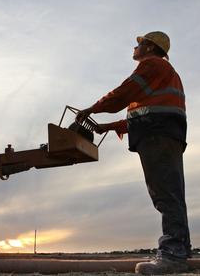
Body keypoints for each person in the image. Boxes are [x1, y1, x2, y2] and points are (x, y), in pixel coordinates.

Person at [76, 31, 191, 275]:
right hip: (162, 134)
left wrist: (92, 109)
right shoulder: (164, 73)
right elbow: (145, 114)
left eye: (139, 44)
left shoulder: (152, 65)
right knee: (170, 193)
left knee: (165, 195)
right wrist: (108, 127)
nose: (134, 48)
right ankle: (179, 250)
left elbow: (124, 93)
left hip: (158, 136)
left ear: (149, 48)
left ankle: (173, 255)